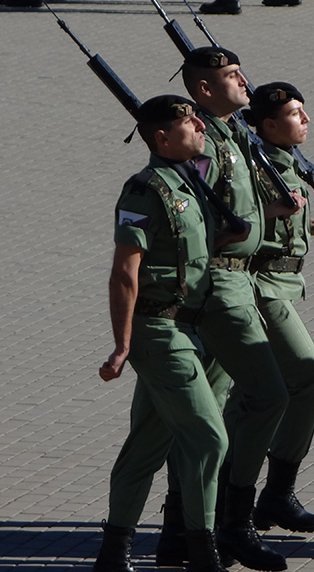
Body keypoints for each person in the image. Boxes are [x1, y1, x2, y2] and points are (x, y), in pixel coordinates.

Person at [155, 47, 299, 572]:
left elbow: (239, 202)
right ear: (204, 90)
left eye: (239, 72)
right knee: (269, 396)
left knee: (207, 415)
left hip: (239, 281)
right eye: (231, 77)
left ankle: (181, 529)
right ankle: (235, 521)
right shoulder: (205, 142)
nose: (243, 82)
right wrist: (228, 230)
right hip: (219, 284)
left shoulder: (235, 132)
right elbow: (187, 216)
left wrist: (270, 211)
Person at [92, 95, 244, 572]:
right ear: (162, 137)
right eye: (189, 122)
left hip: (191, 327)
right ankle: (200, 551)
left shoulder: (191, 180)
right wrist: (121, 344)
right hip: (159, 330)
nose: (200, 126)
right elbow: (124, 272)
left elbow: (188, 248)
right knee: (209, 438)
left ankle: (113, 554)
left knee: (148, 444)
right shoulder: (144, 190)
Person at [242, 82, 314, 532]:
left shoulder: (285, 161)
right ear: (269, 125)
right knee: (306, 380)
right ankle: (268, 495)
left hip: (283, 283)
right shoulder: (253, 163)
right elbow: (243, 217)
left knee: (254, 394)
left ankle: (245, 501)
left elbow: (288, 217)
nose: (305, 119)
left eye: (304, 110)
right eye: (294, 113)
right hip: (260, 286)